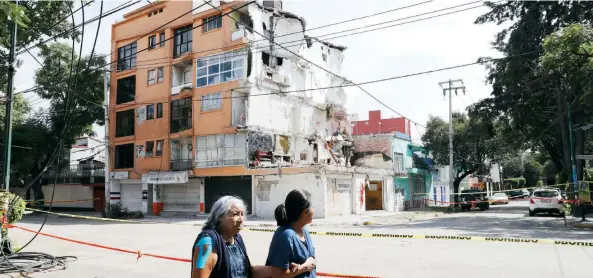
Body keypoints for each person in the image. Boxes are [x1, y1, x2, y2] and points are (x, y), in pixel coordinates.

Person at [191, 196, 272, 278]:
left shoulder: (237, 238)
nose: (241, 219)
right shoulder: (207, 242)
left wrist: (275, 272)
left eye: (242, 214)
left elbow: (244, 270)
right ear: (220, 217)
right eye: (235, 214)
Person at [265, 189, 317, 278]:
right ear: (305, 212)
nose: (314, 209)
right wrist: (304, 267)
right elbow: (278, 275)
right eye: (312, 206)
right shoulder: (285, 235)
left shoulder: (304, 230)